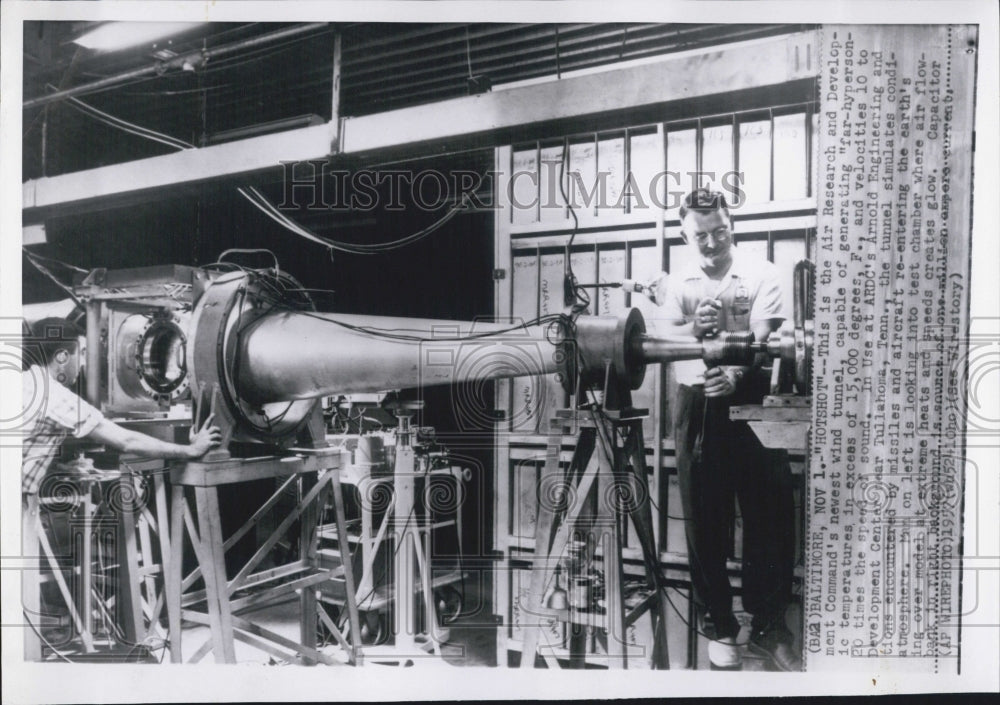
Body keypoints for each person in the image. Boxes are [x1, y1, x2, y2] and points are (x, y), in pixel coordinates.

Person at [656, 189, 798, 671]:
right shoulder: (679, 280)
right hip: (696, 404)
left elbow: (763, 338)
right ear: (685, 234)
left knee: (770, 515)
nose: (713, 242)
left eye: (720, 231)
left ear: (730, 225)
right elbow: (659, 336)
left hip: (752, 399)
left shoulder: (762, 272)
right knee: (703, 516)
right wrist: (694, 327)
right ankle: (720, 625)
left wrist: (734, 375)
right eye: (702, 235)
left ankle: (769, 626)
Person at [21, 317, 220, 654]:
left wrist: (60, 465)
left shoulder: (22, 382)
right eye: (81, 353)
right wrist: (191, 449)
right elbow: (125, 440)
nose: (84, 363)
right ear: (61, 358)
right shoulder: (55, 396)